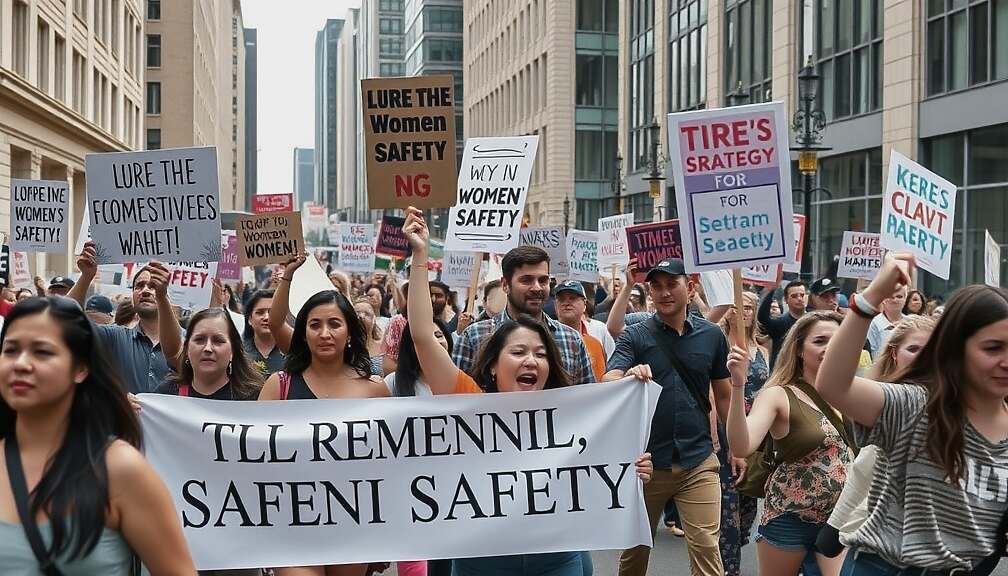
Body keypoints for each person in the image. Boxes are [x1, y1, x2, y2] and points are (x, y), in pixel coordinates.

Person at [402, 206, 651, 576]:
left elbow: (601, 449)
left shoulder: (568, 410)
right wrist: (420, 255)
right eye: (518, 352)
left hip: (557, 554)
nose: (531, 361)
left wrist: (628, 466)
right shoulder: (470, 399)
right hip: (483, 557)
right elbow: (422, 333)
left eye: (540, 354)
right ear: (491, 365)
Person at [817, 254, 1008, 575]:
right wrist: (870, 299)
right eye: (992, 348)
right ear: (956, 350)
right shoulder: (915, 405)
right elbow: (835, 386)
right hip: (884, 567)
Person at [0, 296, 195, 574]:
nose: (21, 363)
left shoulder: (121, 470)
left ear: (80, 369)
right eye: (10, 350)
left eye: (42, 352)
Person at [605, 258, 736, 576]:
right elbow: (607, 380)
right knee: (635, 551)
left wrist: (737, 446)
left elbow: (724, 395)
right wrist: (628, 377)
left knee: (706, 545)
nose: (664, 292)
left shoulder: (711, 336)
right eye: (656, 286)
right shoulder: (635, 336)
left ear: (690, 288)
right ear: (649, 291)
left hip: (698, 460)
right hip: (647, 464)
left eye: (671, 284)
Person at [260, 257, 387, 576]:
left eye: (334, 324)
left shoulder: (375, 390)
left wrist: (390, 535)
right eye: (315, 324)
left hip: (354, 523)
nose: (325, 333)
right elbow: (249, 455)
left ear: (349, 332)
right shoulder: (280, 386)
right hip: (290, 521)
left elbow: (391, 467)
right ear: (303, 333)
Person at [725, 311, 853, 576]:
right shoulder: (778, 395)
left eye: (838, 340)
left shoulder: (854, 394)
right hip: (791, 519)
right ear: (799, 350)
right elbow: (741, 446)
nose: (829, 347)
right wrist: (738, 385)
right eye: (819, 341)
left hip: (840, 519)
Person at [815, 314, 936, 559]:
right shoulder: (880, 397)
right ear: (894, 353)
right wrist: (834, 526)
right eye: (913, 349)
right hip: (874, 541)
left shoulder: (956, 403)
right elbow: (863, 471)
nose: (923, 357)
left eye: (932, 349)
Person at [453, 246, 594, 385]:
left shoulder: (571, 339)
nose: (537, 288)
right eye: (526, 280)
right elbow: (458, 398)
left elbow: (587, 400)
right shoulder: (474, 337)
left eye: (543, 280)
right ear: (505, 285)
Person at [69, 241, 183, 394]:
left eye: (154, 286)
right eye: (139, 286)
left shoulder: (189, 342)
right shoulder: (115, 336)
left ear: (165, 293)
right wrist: (86, 277)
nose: (145, 291)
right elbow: (67, 321)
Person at [715, 291, 769, 576]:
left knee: (748, 509)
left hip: (756, 432)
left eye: (749, 308)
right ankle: (727, 568)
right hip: (726, 431)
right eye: (739, 307)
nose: (744, 312)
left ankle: (732, 552)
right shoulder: (719, 344)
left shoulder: (764, 349)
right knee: (729, 510)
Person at [157, 307, 265, 401]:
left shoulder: (254, 398)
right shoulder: (166, 395)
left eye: (218, 341)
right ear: (186, 349)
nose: (207, 348)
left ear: (233, 351)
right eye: (199, 340)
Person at [554, 279, 614, 381]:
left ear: (585, 304)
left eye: (572, 298)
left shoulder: (598, 331)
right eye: (561, 299)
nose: (566, 303)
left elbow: (613, 368)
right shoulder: (546, 334)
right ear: (555, 306)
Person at [758, 280, 808, 369]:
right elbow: (763, 317)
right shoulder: (780, 323)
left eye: (802, 295)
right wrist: (772, 288)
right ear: (786, 300)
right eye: (794, 296)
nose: (799, 298)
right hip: (783, 373)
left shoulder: (814, 321)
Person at [243, 289, 286, 378]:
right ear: (249, 319)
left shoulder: (292, 352)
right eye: (260, 312)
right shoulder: (238, 352)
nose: (266, 317)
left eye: (272, 312)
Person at [866, 286, 906, 360]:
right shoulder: (874, 323)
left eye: (899, 296)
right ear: (883, 300)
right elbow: (871, 353)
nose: (895, 300)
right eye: (890, 296)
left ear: (905, 299)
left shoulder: (910, 322)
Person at [353, 296, 386, 376]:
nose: (361, 316)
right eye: (357, 313)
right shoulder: (346, 348)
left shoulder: (384, 346)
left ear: (374, 319)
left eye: (367, 313)